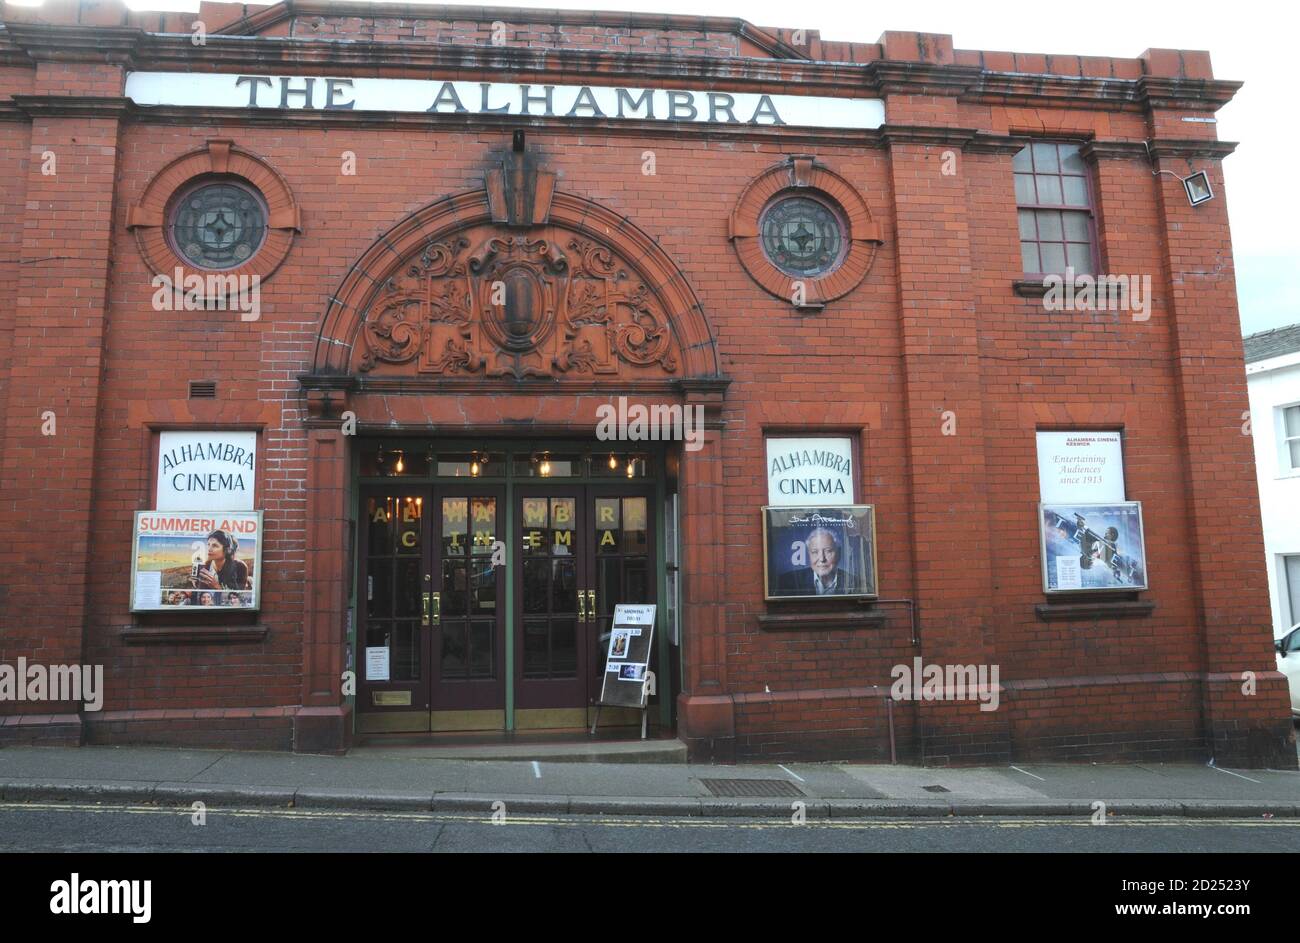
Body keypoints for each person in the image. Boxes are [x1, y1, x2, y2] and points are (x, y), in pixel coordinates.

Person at [777, 527, 860, 596]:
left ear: (839, 553)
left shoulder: (857, 584)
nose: (822, 559)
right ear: (809, 555)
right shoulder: (787, 582)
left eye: (828, 551)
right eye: (815, 552)